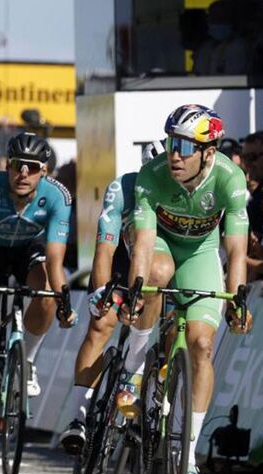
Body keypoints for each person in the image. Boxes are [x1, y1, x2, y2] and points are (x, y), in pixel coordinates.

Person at [121, 104, 252, 474]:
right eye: (170, 143)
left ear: (208, 152)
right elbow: (143, 245)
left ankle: (187, 455)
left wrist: (238, 300)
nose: (174, 155)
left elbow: (236, 250)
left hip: (200, 253)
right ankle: (133, 370)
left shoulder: (230, 179)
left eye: (184, 146)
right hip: (159, 245)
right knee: (157, 273)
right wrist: (135, 292)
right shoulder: (153, 175)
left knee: (202, 345)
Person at [0, 132, 77, 464]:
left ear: (44, 171)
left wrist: (64, 301)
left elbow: (55, 260)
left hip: (30, 251)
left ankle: (28, 361)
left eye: (32, 167)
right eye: (16, 165)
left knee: (46, 293)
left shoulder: (58, 196)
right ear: (7, 166)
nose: (23, 173)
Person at [58, 140, 170, 454]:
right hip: (122, 262)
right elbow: (105, 249)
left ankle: (159, 401)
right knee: (101, 324)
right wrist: (99, 292)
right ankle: (78, 417)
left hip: (161, 268)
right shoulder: (123, 188)